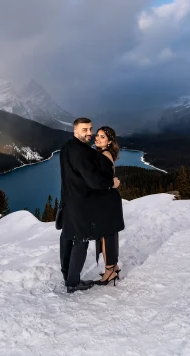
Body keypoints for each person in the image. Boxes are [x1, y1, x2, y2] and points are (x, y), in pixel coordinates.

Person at [59, 117, 120, 293]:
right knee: (81, 240)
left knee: (68, 238)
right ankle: (73, 282)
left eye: (90, 129)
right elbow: (94, 181)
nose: (89, 133)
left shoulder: (67, 147)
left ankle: (68, 276)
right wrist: (111, 183)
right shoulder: (83, 152)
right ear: (75, 131)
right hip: (81, 203)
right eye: (84, 130)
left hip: (68, 200)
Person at [93, 126, 124, 286]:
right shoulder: (103, 154)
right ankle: (114, 266)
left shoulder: (104, 156)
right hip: (108, 200)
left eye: (102, 137)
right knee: (109, 234)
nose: (97, 138)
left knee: (106, 236)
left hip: (107, 201)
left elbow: (103, 182)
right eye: (97, 135)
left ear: (109, 141)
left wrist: (111, 183)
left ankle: (109, 271)